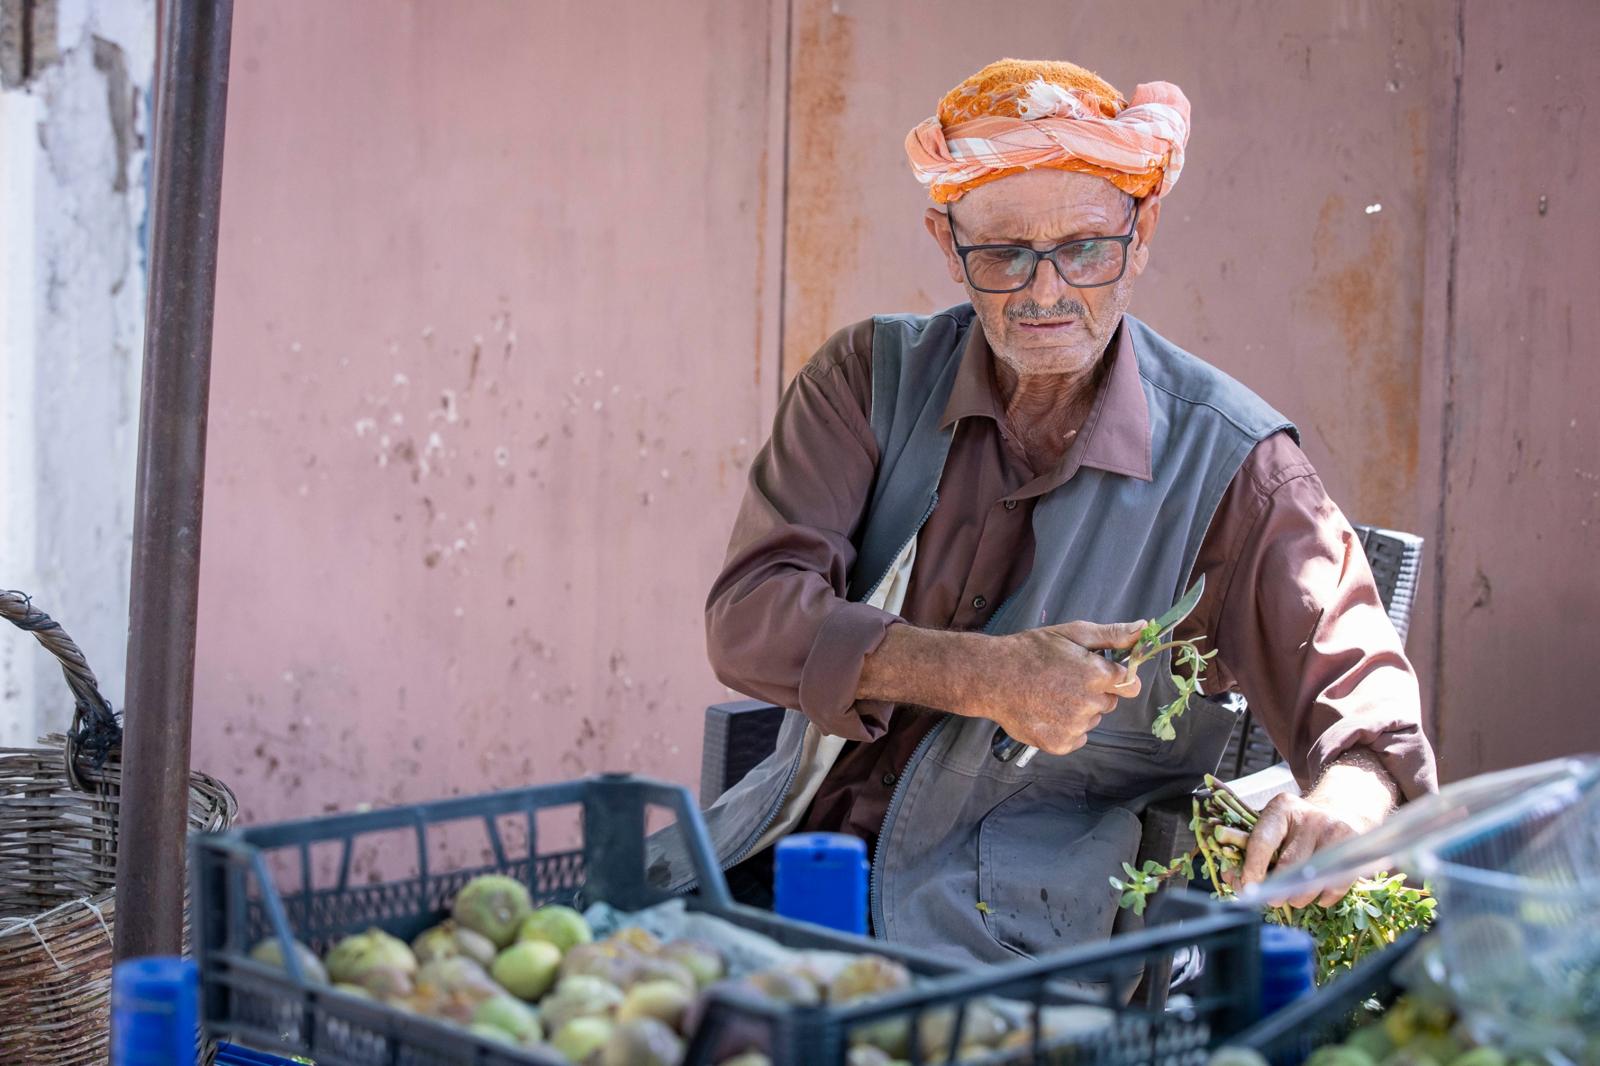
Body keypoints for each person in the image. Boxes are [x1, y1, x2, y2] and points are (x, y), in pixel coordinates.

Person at [652, 58, 1437, 964]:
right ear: (949, 248)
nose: (1046, 291)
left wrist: (1343, 804)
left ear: (1140, 240)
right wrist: (979, 675)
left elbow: (1369, 710)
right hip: (780, 862)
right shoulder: (866, 380)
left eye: (1086, 249)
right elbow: (748, 620)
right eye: (1003, 254)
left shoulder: (1241, 469)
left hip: (1012, 944)